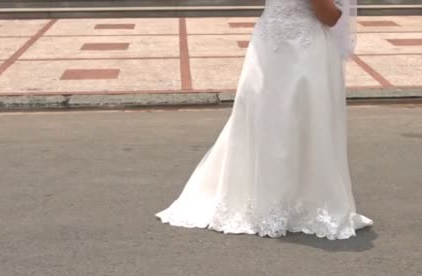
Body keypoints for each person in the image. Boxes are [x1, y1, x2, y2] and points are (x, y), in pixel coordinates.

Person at [156, 0, 372, 239]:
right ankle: (294, 200)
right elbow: (328, 16)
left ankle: (260, 196)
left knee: (265, 120)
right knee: (301, 123)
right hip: (300, 52)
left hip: (268, 44)